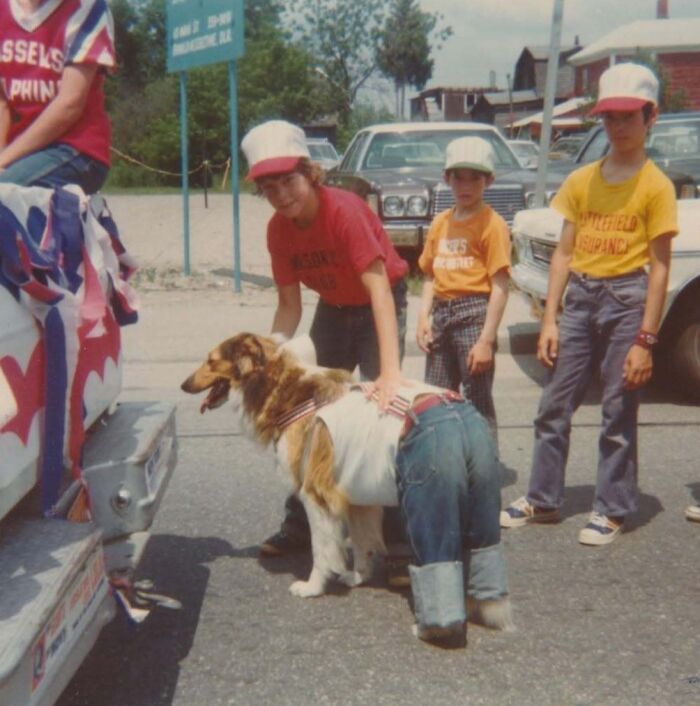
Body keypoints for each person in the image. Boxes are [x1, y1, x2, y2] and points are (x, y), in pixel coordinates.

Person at [501, 63, 678, 546]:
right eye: (609, 118)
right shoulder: (581, 181)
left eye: (627, 117)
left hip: (628, 301)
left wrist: (646, 339)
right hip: (580, 298)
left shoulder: (656, 186)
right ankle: (543, 498)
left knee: (618, 410)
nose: (617, 127)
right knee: (553, 403)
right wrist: (550, 319)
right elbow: (562, 253)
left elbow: (660, 267)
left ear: (650, 116)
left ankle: (614, 506)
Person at [240, 119, 409, 557]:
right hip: (332, 310)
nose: (281, 195)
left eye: (289, 181)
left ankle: (395, 538)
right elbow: (289, 305)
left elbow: (378, 290)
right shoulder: (278, 230)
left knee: (380, 416)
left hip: (378, 304)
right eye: (269, 188)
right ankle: (301, 523)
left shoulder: (344, 211)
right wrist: (268, 362)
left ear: (311, 174)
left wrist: (389, 373)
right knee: (302, 410)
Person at [416, 136, 510, 444]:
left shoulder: (492, 224)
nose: (466, 186)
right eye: (459, 177)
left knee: (478, 398)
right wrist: (423, 319)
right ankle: (443, 464)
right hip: (441, 313)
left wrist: (486, 340)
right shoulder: (440, 222)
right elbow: (429, 275)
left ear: (488, 180)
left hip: (474, 313)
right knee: (436, 397)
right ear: (447, 178)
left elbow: (499, 286)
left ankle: (484, 470)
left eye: (475, 178)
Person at [0, 0, 115, 193]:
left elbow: (69, 104)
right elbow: (3, 102)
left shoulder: (87, 8)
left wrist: (4, 160)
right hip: (21, 154)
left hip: (76, 149)